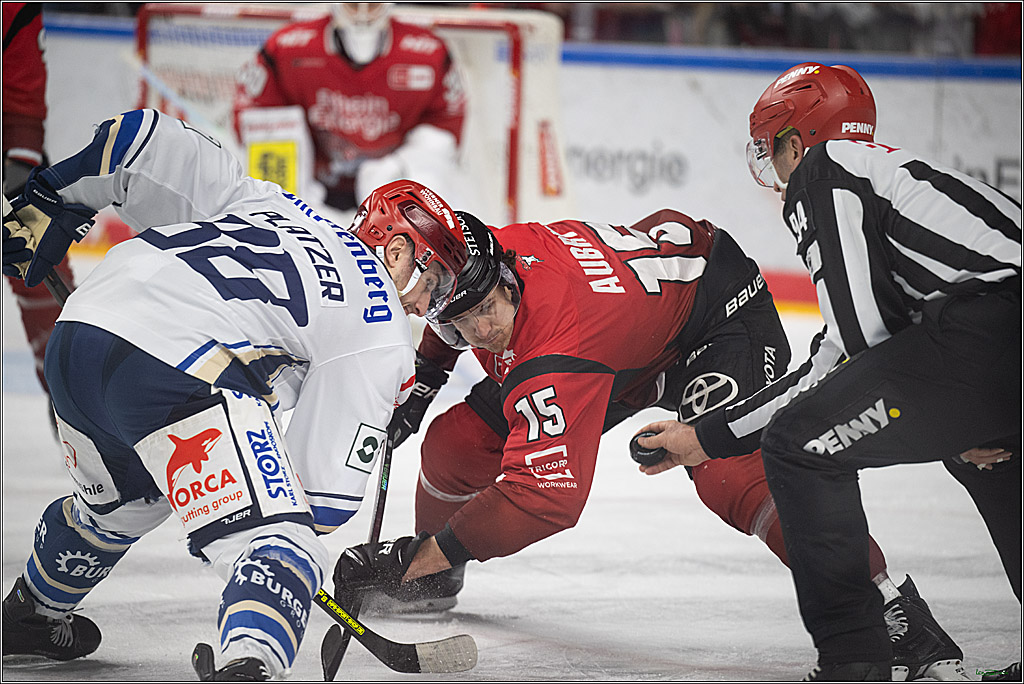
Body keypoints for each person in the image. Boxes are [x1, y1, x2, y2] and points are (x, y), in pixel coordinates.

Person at [329, 195, 971, 679]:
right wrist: (421, 387)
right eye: (453, 318)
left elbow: (545, 498)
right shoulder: (486, 254)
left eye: (478, 317)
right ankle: (434, 583)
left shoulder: (555, 346)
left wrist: (420, 553)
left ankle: (894, 617)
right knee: (454, 445)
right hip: (633, 340)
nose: (476, 335)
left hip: (714, 320)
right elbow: (451, 307)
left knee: (733, 474)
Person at [1, 108, 468, 680]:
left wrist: (52, 197)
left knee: (123, 503)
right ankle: (252, 665)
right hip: (174, 368)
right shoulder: (382, 326)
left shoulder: (278, 205)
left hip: (80, 333)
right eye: (437, 282)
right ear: (396, 252)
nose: (431, 307)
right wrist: (245, 512)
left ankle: (31, 613)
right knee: (286, 544)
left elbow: (142, 141)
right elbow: (320, 504)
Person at [633, 63, 1021, 680]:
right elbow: (903, 343)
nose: (777, 170)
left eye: (773, 150)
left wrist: (705, 436)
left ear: (797, 140)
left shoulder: (825, 172)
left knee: (798, 447)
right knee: (998, 456)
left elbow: (853, 346)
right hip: (1001, 339)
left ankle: (856, 659)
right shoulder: (901, 173)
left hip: (992, 332)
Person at [233, 2, 466, 213]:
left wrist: (397, 167)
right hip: (315, 178)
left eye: (372, 3)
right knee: (272, 194)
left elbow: (444, 127)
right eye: (353, 4)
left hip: (388, 179)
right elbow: (256, 116)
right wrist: (291, 185)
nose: (363, 12)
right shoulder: (287, 48)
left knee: (430, 177)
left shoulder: (428, 53)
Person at [2, 1, 77, 405]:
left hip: (9, 160)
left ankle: (71, 391)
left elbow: (21, 81)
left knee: (42, 266)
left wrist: (19, 162)